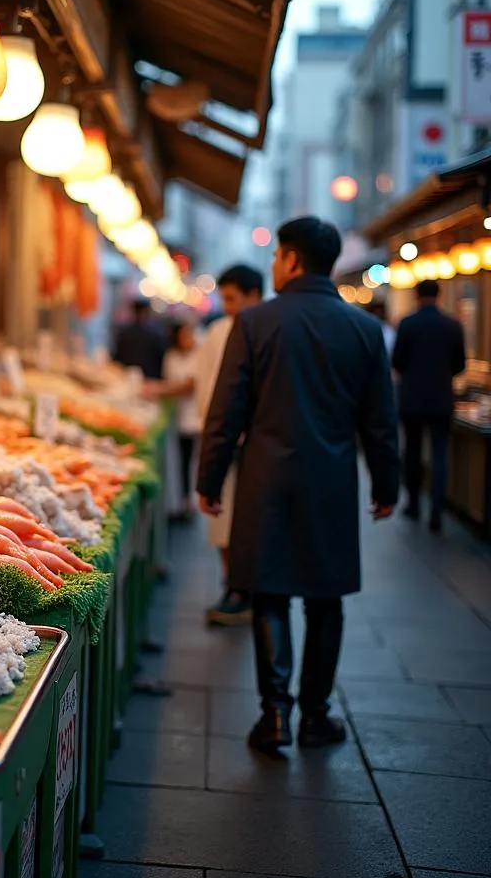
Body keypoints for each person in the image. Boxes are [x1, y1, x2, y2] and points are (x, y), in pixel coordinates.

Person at [197, 217, 399, 755]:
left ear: (289, 260)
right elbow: (380, 420)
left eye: (276, 256)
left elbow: (226, 412)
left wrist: (209, 479)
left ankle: (275, 716)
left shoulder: (255, 323)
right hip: (332, 480)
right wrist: (387, 484)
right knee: (325, 599)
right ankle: (316, 715)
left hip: (265, 477)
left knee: (269, 594)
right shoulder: (362, 329)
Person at [194, 264, 264, 626]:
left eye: (234, 298)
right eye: (224, 298)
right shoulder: (217, 331)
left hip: (254, 448)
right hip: (220, 439)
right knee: (220, 523)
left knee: (248, 522)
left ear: (255, 295)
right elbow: (204, 388)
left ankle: (247, 588)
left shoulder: (268, 331)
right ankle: (232, 586)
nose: (228, 306)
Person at [392, 279, 466, 533]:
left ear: (416, 296)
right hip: (441, 399)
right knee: (440, 455)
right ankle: (437, 511)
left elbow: (397, 361)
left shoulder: (408, 324)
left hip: (412, 399)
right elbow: (460, 364)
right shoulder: (452, 325)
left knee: (412, 452)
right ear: (439, 295)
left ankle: (413, 503)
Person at [160, 321, 200, 519]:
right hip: (176, 415)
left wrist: (159, 390)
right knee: (179, 460)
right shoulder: (171, 356)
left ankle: (189, 503)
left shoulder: (199, 356)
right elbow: (170, 382)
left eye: (190, 334)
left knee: (191, 460)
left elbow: (189, 385)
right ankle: (178, 502)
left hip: (194, 416)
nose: (187, 338)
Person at [112, 299, 167, 380]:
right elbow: (161, 360)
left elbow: (117, 358)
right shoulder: (156, 333)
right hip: (151, 381)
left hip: (126, 378)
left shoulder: (124, 332)